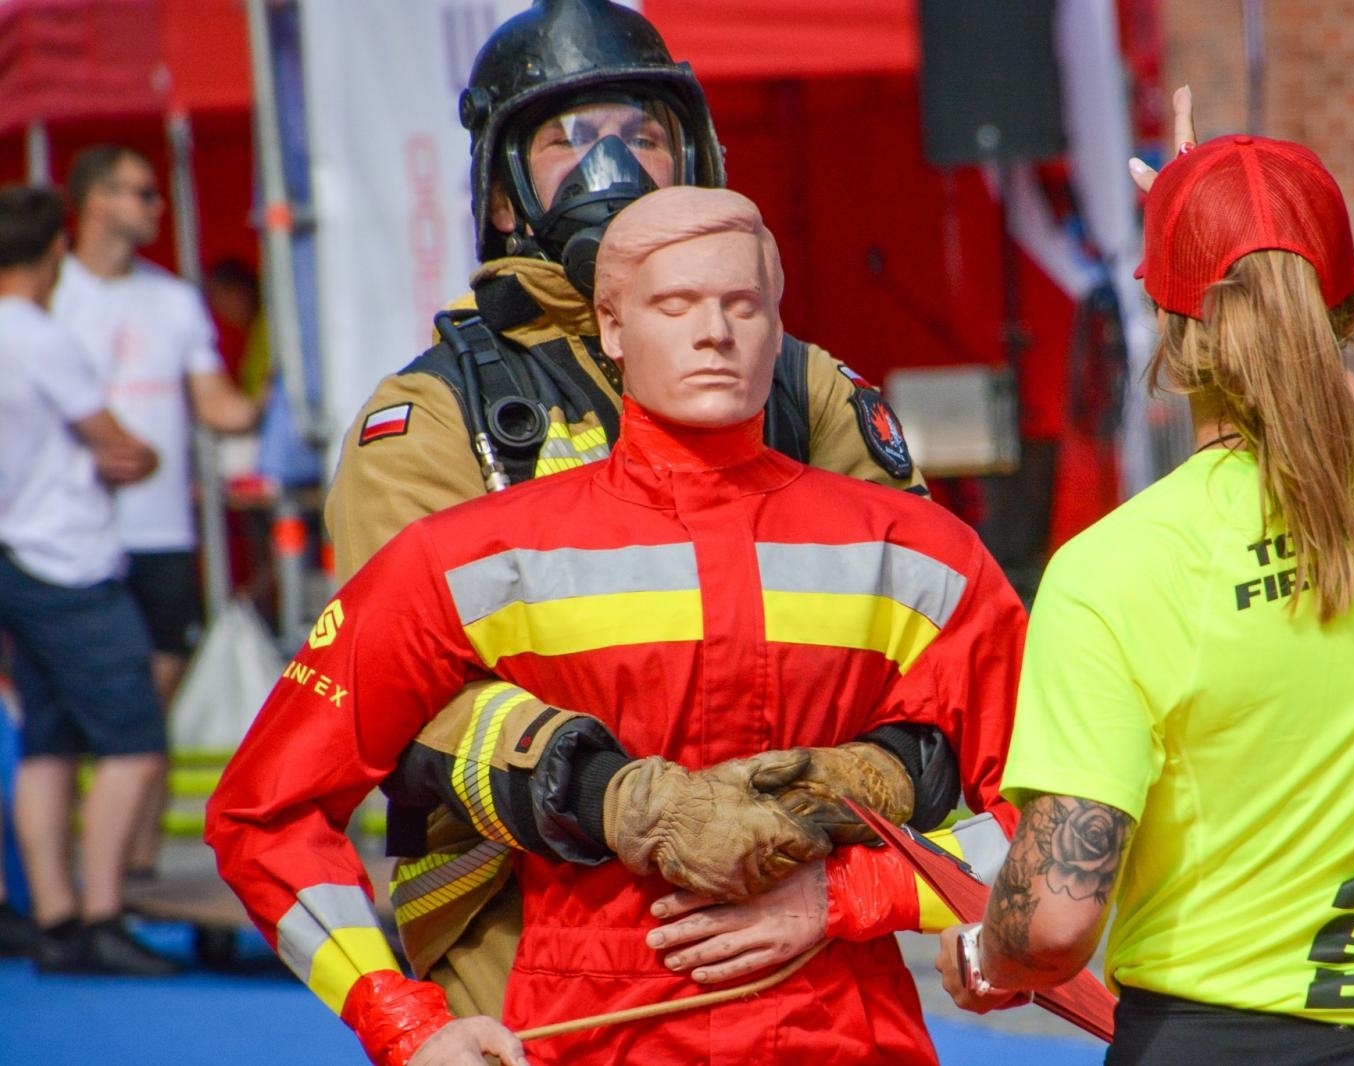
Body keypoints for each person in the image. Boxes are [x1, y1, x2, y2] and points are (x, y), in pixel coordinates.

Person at [208, 186, 1024, 1065]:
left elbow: (1057, 815)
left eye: (743, 304)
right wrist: (405, 1023)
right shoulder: (476, 557)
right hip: (589, 1032)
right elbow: (264, 813)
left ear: (778, 325)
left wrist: (856, 894)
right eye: (674, 304)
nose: (714, 331)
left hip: (842, 1025)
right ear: (610, 327)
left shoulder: (921, 554)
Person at [325, 0, 985, 1021]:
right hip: (525, 933)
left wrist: (848, 787)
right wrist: (616, 798)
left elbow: (936, 659)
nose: (613, 171)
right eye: (569, 143)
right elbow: (393, 701)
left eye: (643, 135)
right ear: (504, 197)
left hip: (783, 918)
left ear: (698, 161)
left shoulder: (802, 389)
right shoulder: (434, 419)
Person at [935, 104, 1354, 1064]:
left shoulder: (1115, 570)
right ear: (1343, 303)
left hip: (1221, 1043)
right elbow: (1351, 433)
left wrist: (987, 954)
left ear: (1171, 335)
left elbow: (1052, 924)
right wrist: (1251, 244)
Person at [52, 143, 263, 880]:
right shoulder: (49, 296)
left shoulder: (172, 298)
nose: (157, 206)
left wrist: (280, 396)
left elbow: (218, 407)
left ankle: (129, 870)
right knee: (80, 717)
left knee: (148, 709)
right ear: (97, 199)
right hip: (66, 540)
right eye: (142, 193)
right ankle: (74, 875)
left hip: (162, 534)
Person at [0, 184, 179, 976]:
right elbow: (120, 445)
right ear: (52, 253)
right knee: (134, 743)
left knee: (49, 741)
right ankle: (101, 912)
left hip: (15, 551)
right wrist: (143, 455)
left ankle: (54, 916)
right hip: (66, 555)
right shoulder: (38, 336)